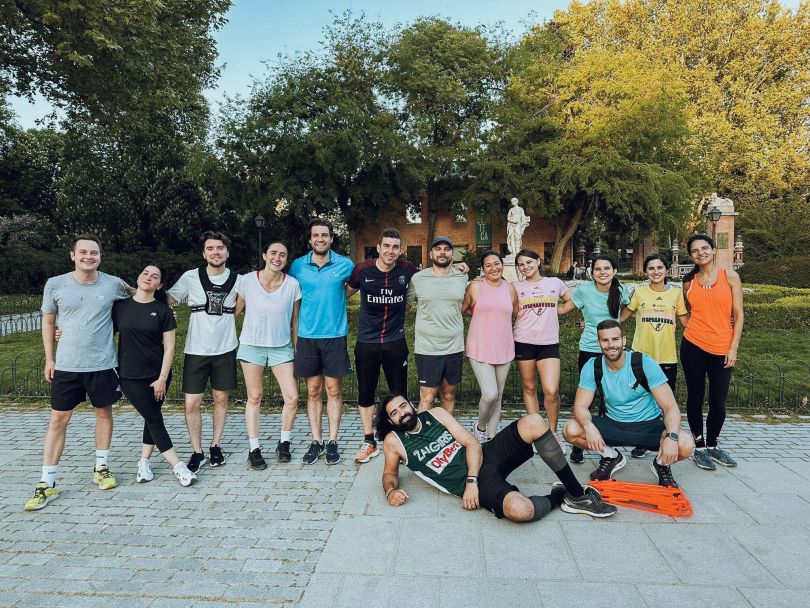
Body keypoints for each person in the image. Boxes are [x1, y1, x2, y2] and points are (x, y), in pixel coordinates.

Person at [377, 393, 616, 520]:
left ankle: (576, 494)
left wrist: (471, 480)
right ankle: (559, 495)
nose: (402, 414)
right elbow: (389, 474)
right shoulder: (395, 442)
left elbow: (471, 442)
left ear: (411, 404)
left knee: (533, 421)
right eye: (395, 413)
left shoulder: (435, 414)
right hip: (480, 484)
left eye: (403, 406)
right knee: (521, 511)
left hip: (484, 458)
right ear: (390, 421)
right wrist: (390, 492)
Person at [25, 234, 132, 511]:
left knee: (104, 413)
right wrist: (50, 358)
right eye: (83, 252)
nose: (89, 256)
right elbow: (48, 321)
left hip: (103, 364)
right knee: (58, 421)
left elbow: (140, 296)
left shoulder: (113, 284)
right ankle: (47, 483)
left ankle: (101, 468)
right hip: (67, 366)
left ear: (100, 256)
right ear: (72, 255)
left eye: (94, 252)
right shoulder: (56, 284)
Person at [562, 320, 695, 487]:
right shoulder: (593, 366)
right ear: (599, 343)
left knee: (685, 444)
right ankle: (611, 456)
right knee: (570, 429)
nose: (611, 345)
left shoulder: (644, 363)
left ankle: (662, 464)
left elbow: (670, 407)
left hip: (649, 426)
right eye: (605, 340)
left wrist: (671, 437)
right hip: (614, 425)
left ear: (624, 340)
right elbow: (580, 406)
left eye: (615, 339)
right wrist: (589, 427)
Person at [113, 265, 196, 487]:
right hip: (130, 376)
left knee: (151, 418)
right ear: (139, 277)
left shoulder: (163, 311)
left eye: (155, 276)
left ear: (160, 285)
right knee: (154, 418)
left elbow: (169, 348)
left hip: (158, 376)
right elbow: (99, 331)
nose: (149, 277)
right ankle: (178, 466)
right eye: (145, 273)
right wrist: (64, 332)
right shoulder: (120, 307)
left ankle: (143, 463)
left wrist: (162, 378)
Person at [167, 231, 239, 473]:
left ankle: (215, 445)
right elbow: (167, 300)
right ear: (204, 252)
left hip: (226, 347)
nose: (215, 252)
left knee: (221, 399)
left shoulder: (239, 281)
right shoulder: (190, 277)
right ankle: (197, 451)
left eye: (220, 248)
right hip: (196, 349)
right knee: (192, 403)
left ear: (227, 252)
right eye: (210, 248)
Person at [346, 229, 418, 464]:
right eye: (386, 246)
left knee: (400, 393)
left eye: (395, 247)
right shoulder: (362, 270)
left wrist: (460, 270)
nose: (390, 251)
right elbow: (343, 294)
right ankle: (369, 441)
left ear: (401, 250)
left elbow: (433, 277)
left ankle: (401, 438)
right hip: (367, 342)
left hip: (395, 343)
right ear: (378, 247)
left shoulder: (407, 270)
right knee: (366, 392)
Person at [289, 218, 354, 465]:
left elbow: (355, 284)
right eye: (316, 235)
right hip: (307, 338)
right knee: (313, 391)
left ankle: (333, 441)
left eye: (324, 235)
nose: (320, 239)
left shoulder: (344, 264)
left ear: (331, 238)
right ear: (310, 240)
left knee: (333, 390)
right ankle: (316, 441)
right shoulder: (297, 266)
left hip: (335, 337)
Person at [234, 239, 301, 469]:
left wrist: (297, 346)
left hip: (281, 346)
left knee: (292, 397)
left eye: (282, 254)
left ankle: (284, 442)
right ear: (264, 256)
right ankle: (254, 449)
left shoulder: (292, 284)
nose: (277, 258)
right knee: (255, 396)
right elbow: (235, 312)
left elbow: (295, 319)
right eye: (273, 253)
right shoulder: (246, 281)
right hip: (252, 345)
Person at [680, 234, 744, 470]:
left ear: (713, 250)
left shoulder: (730, 277)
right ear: (691, 256)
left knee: (718, 402)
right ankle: (698, 446)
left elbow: (738, 315)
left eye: (704, 248)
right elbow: (687, 312)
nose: (701, 253)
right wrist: (695, 331)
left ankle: (713, 444)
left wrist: (733, 347)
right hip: (693, 346)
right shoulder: (689, 282)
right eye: (695, 250)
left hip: (722, 347)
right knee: (695, 396)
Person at [558, 254, 629, 463]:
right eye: (598, 269)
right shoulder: (584, 291)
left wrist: (615, 324)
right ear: (592, 272)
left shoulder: (621, 291)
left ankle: (605, 444)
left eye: (607, 268)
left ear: (614, 271)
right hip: (589, 347)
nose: (603, 272)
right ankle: (578, 444)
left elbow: (629, 310)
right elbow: (563, 309)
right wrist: (539, 304)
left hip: (613, 349)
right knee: (585, 399)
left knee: (608, 397)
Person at [621, 254, 689, 458]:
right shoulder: (639, 293)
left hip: (667, 357)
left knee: (666, 403)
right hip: (641, 357)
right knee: (643, 401)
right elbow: (620, 318)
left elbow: (687, 323)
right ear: (645, 272)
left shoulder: (676, 294)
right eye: (651, 268)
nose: (656, 271)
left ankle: (667, 439)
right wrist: (592, 325)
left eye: (660, 267)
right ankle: (643, 441)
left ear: (667, 270)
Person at [513, 248, 572, 450]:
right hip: (523, 341)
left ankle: (553, 432)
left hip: (548, 342)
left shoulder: (554, 283)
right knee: (529, 388)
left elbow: (573, 299)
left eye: (529, 262)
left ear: (538, 261)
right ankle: (537, 432)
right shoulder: (515, 287)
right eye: (521, 264)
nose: (526, 267)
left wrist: (561, 309)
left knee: (551, 390)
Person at [407, 236, 468, 415]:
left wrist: (460, 267)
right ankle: (422, 438)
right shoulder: (418, 278)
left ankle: (447, 436)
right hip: (428, 348)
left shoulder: (462, 277)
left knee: (448, 396)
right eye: (438, 249)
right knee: (427, 397)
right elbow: (407, 303)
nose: (442, 252)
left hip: (454, 347)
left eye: (446, 249)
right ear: (431, 253)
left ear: (452, 253)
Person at [462, 250, 517, 442]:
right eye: (488, 265)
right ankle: (481, 426)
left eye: (496, 263)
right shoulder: (476, 286)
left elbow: (516, 313)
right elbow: (463, 308)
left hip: (504, 347)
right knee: (490, 393)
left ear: (502, 265)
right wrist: (480, 317)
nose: (493, 268)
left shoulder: (510, 288)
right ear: (483, 269)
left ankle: (492, 437)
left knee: (499, 395)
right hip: (479, 346)